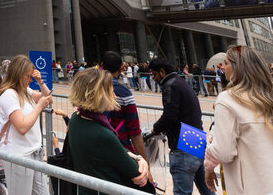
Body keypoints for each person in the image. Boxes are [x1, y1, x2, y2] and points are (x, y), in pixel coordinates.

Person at [204, 46, 273, 194]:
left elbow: (224, 151)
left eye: (226, 63)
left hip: (256, 188)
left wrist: (208, 165)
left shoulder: (227, 100)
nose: (222, 68)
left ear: (238, 67)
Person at [66, 68, 150, 194]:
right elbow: (136, 174)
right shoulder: (102, 134)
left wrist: (138, 158)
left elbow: (117, 150)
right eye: (111, 93)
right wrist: (142, 160)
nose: (115, 97)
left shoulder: (75, 119)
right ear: (98, 96)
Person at [148, 57, 214, 195]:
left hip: (182, 145)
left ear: (162, 71)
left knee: (182, 192)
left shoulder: (170, 85)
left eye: (154, 74)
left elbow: (169, 115)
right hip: (196, 139)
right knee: (205, 189)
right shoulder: (181, 82)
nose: (154, 78)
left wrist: (155, 129)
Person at [0, 54, 52, 195]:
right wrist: (39, 107)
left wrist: (40, 82)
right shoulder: (8, 95)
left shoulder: (24, 90)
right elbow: (22, 127)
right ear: (18, 75)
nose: (30, 80)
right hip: (19, 156)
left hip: (33, 152)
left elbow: (47, 98)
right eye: (28, 76)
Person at [100, 51, 149, 160]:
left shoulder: (91, 88)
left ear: (102, 66)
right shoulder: (123, 92)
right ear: (121, 68)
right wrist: (145, 162)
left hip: (96, 150)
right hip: (120, 151)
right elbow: (134, 131)